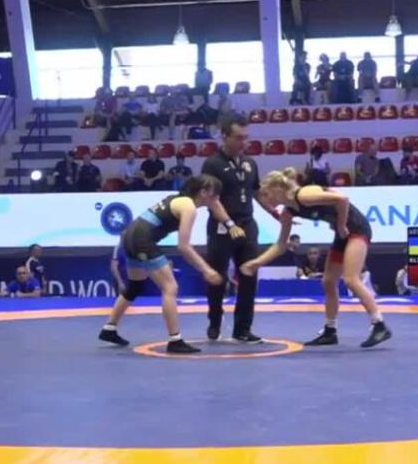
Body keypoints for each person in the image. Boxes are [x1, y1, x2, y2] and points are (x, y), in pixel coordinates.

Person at [244, 168, 392, 348]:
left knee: (351, 279)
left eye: (266, 195)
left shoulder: (304, 195)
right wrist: (257, 262)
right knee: (328, 281)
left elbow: (342, 199)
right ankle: (330, 330)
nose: (265, 200)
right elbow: (281, 245)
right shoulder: (288, 213)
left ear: (278, 189)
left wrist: (341, 225)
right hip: (342, 233)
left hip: (357, 229)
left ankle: (379, 325)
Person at [98, 175, 224, 353]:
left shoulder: (177, 199)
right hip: (142, 240)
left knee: (134, 287)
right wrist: (206, 270)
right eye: (215, 194)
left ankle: (109, 329)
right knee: (170, 287)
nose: (217, 199)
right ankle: (175, 340)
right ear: (203, 192)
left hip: (129, 237)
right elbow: (184, 247)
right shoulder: (188, 207)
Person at [200, 117, 269, 343]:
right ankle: (214, 322)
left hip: (247, 223)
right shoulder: (212, 164)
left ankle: (243, 329)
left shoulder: (250, 163)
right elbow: (212, 200)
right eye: (239, 138)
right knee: (217, 277)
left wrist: (277, 213)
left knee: (249, 274)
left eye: (246, 138)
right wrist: (229, 224)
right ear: (225, 136)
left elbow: (257, 192)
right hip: (221, 225)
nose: (243, 143)